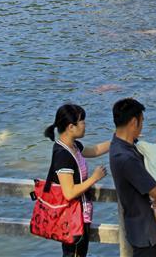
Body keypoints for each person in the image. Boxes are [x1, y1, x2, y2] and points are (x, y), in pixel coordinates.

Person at [109, 98, 156, 257]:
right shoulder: (126, 158)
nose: (142, 126)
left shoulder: (121, 145)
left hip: (140, 228)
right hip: (146, 233)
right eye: (142, 121)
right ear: (134, 122)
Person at [44, 104, 109, 257]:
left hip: (79, 217)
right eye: (82, 122)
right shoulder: (63, 155)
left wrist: (118, 140)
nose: (85, 125)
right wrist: (94, 178)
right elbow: (69, 192)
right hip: (71, 220)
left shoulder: (74, 146)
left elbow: (95, 150)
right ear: (71, 127)